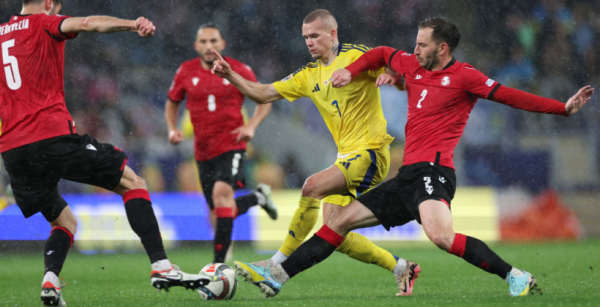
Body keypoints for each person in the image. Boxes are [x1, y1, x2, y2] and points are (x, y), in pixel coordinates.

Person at [235, 17, 594, 298]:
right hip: (408, 175)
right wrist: (353, 71)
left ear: (442, 47)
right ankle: (279, 276)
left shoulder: (465, 76)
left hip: (435, 172)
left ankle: (516, 277)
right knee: (339, 221)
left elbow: (511, 96)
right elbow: (378, 54)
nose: (414, 48)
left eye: (421, 44)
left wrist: (561, 109)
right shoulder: (411, 66)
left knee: (440, 236)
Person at [0, 1, 210, 305]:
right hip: (49, 134)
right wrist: (131, 24)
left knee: (63, 223)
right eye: (57, 8)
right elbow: (87, 23)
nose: (58, 13)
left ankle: (50, 281)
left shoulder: (3, 34)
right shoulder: (44, 23)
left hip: (13, 149)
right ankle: (162, 267)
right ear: (49, 4)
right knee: (133, 182)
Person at [212, 9, 420, 296]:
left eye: (315, 35)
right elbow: (262, 93)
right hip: (347, 156)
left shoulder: (357, 56)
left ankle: (275, 264)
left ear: (332, 34)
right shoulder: (308, 75)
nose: (309, 42)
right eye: (305, 37)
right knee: (334, 233)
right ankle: (402, 267)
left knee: (311, 186)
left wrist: (393, 79)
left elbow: (402, 78)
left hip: (371, 152)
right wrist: (231, 75)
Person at [165, 23, 277, 264]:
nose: (209, 46)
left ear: (222, 44)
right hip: (203, 151)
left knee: (221, 197)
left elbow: (265, 99)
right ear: (196, 46)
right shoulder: (185, 71)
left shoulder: (238, 69)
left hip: (232, 144)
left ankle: (218, 267)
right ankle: (259, 198)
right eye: (203, 42)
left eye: (213, 41)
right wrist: (172, 129)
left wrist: (251, 126)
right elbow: (172, 101)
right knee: (218, 210)